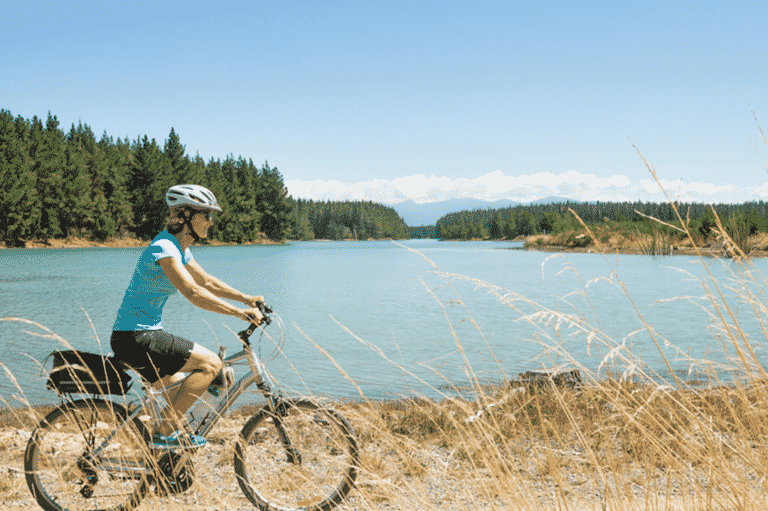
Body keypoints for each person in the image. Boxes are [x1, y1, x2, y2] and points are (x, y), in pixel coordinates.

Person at [111, 184, 264, 450]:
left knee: (178, 396)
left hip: (137, 336)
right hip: (137, 337)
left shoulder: (179, 248)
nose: (211, 222)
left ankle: (160, 462)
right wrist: (240, 313)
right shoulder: (164, 248)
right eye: (207, 215)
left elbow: (206, 281)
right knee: (211, 364)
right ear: (186, 216)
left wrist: (246, 298)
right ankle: (164, 434)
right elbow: (193, 292)